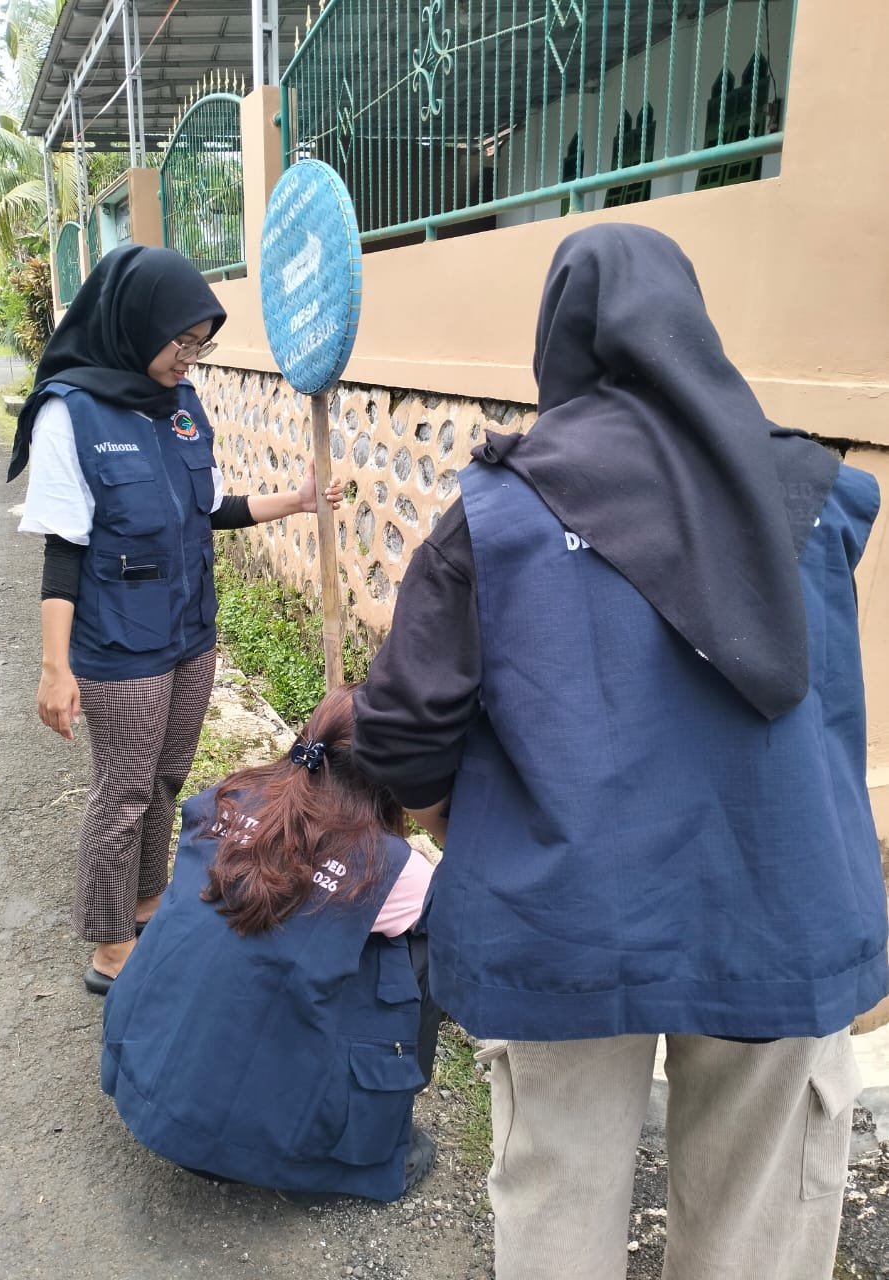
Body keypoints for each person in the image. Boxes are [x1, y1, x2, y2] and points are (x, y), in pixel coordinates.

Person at [351, 224, 889, 1279]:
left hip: (564, 928)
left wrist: (444, 816)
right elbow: (828, 715)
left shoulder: (496, 509)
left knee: (556, 1202)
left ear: (562, 338)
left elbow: (404, 727)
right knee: (761, 1226)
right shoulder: (809, 500)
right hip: (775, 908)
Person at [8, 245, 341, 996]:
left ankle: (147, 899)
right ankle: (108, 942)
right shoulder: (72, 412)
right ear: (135, 324)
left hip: (190, 630)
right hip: (119, 642)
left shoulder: (183, 407)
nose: (191, 358)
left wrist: (293, 500)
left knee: (164, 780)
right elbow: (64, 551)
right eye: (181, 342)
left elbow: (209, 509)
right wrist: (54, 669)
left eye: (202, 343)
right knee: (122, 792)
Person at [100, 683, 439, 1202]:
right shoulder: (391, 870)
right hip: (253, 1143)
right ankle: (371, 1123)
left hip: (147, 1082)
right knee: (422, 950)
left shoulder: (226, 795)